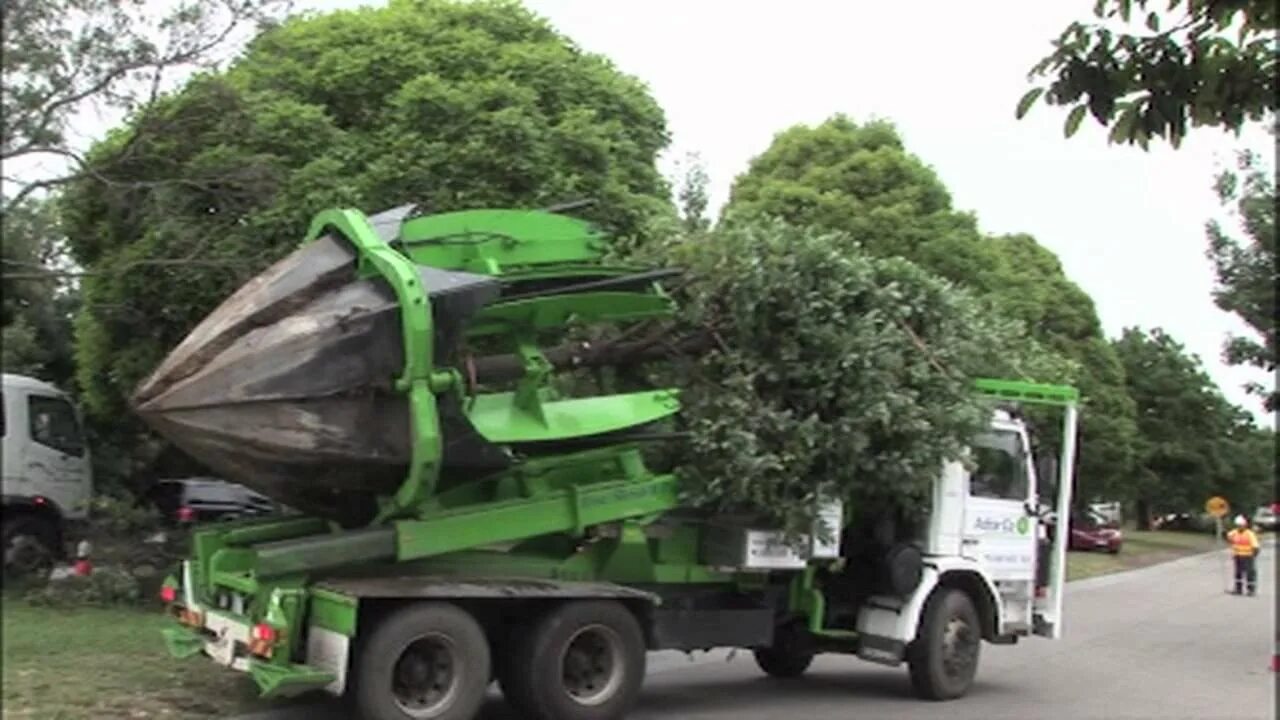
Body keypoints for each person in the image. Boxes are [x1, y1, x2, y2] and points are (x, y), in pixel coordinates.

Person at [1226, 515, 1260, 596]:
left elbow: (1255, 546)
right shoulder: (1234, 532)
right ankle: (1238, 589)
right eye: (1238, 525)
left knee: (1250, 573)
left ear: (1245, 525)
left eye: (1241, 525)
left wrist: (1254, 554)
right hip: (1237, 556)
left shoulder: (1249, 534)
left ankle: (1251, 590)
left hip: (1248, 556)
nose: (1239, 527)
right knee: (1238, 573)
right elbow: (1228, 536)